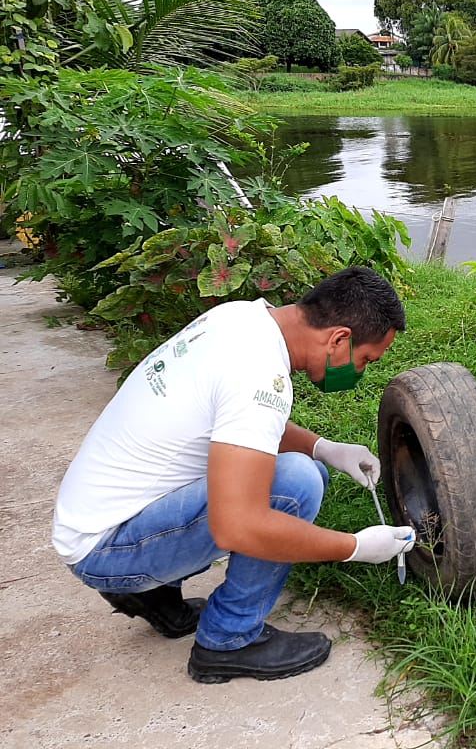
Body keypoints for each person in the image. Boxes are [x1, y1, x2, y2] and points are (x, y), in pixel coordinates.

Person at [51, 266, 417, 684]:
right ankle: (229, 640)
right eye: (366, 358)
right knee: (295, 483)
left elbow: (238, 427)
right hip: (107, 547)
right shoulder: (259, 374)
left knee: (305, 463)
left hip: (96, 521)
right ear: (338, 338)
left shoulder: (243, 319)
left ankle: (152, 592)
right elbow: (238, 526)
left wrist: (324, 448)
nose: (362, 370)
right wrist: (354, 547)